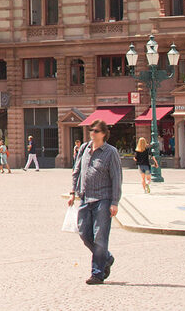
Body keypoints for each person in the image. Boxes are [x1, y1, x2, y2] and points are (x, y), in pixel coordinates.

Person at [68, 120, 122, 285]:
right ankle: (107, 257)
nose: (92, 132)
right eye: (91, 130)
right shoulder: (84, 148)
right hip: (85, 198)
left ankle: (97, 274)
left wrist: (114, 202)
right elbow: (76, 171)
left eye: (96, 130)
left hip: (103, 200)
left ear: (104, 134)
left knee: (100, 237)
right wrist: (72, 192)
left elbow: (116, 178)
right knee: (84, 234)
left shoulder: (110, 152)